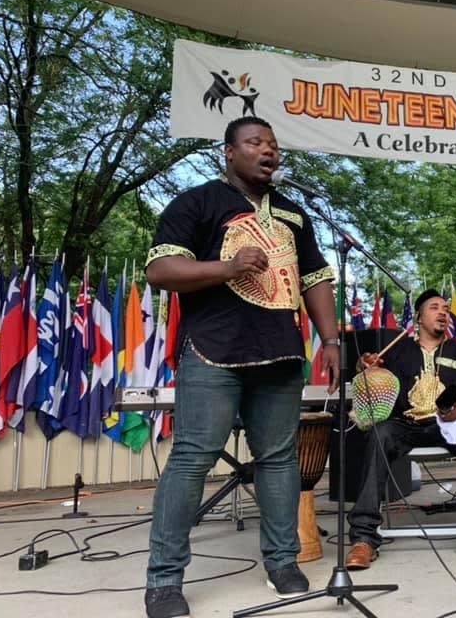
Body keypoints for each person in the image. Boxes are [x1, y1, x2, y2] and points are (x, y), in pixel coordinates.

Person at [142, 116, 340, 618]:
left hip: (280, 352)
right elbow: (161, 270)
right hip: (214, 350)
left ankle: (282, 561)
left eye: (272, 144)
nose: (267, 151)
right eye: (255, 143)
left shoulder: (295, 213)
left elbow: (315, 277)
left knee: (278, 458)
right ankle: (164, 580)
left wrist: (332, 338)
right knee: (193, 456)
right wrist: (227, 267)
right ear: (228, 152)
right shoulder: (199, 202)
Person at [345, 289, 456, 569]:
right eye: (435, 307)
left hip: (448, 423)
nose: (443, 312)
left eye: (445, 308)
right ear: (419, 317)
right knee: (379, 433)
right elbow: (371, 378)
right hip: (406, 425)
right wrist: (365, 367)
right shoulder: (398, 351)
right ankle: (363, 538)